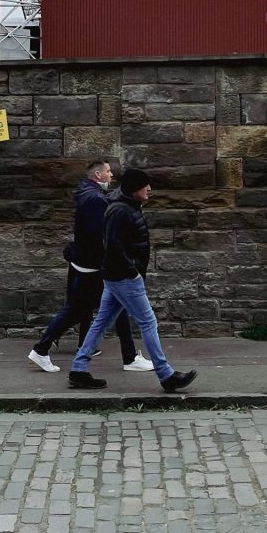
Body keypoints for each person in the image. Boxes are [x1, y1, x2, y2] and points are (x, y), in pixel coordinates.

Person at [68, 168, 197, 393]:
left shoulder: (125, 206)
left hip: (116, 276)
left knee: (101, 323)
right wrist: (132, 271)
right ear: (134, 188)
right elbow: (113, 245)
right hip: (124, 277)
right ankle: (166, 375)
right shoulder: (120, 210)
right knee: (148, 322)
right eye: (145, 185)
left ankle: (79, 369)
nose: (149, 189)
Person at [28, 159, 153, 374]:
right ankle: (41, 349)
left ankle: (129, 357)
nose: (111, 175)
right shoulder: (95, 199)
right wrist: (108, 262)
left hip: (88, 264)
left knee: (114, 308)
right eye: (108, 171)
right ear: (98, 175)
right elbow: (99, 236)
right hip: (93, 267)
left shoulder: (87, 193)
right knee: (77, 310)